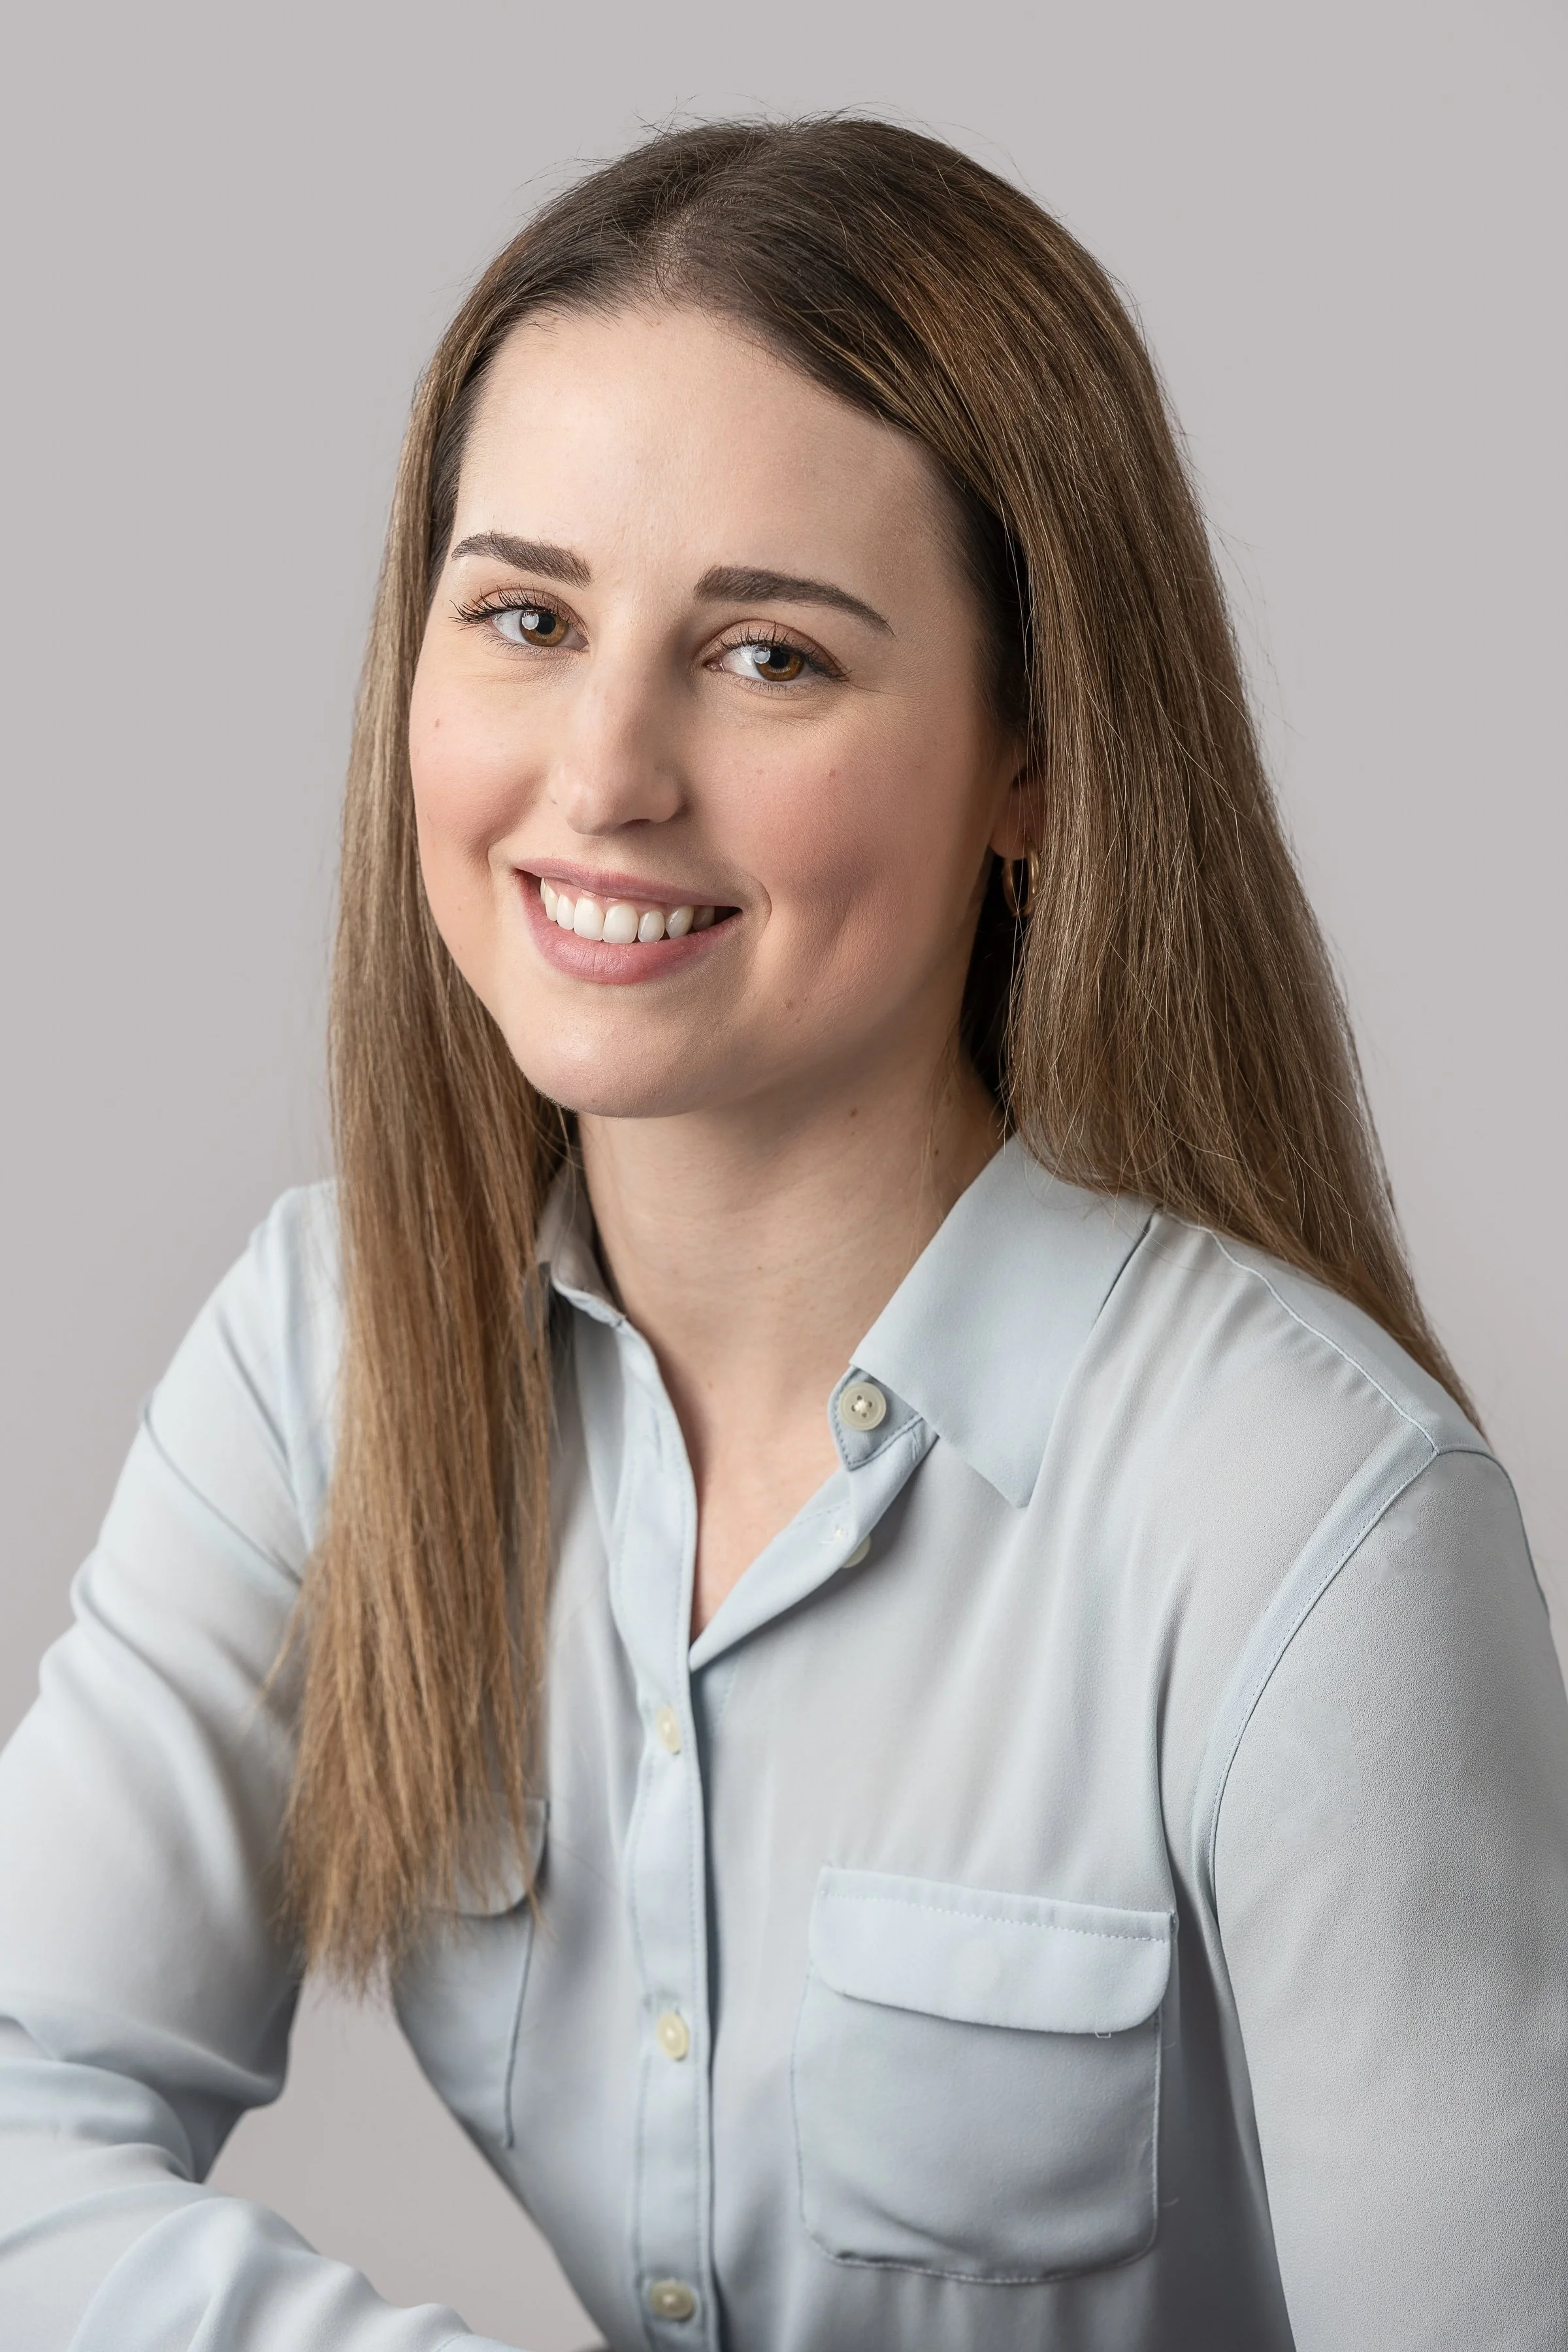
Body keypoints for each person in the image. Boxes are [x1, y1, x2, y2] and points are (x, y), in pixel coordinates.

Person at [0, 115, 1563, 2352]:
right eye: (526, 619)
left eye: (768, 659)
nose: (604, 774)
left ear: (1037, 763)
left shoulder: (1304, 1526)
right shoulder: (322, 1356)